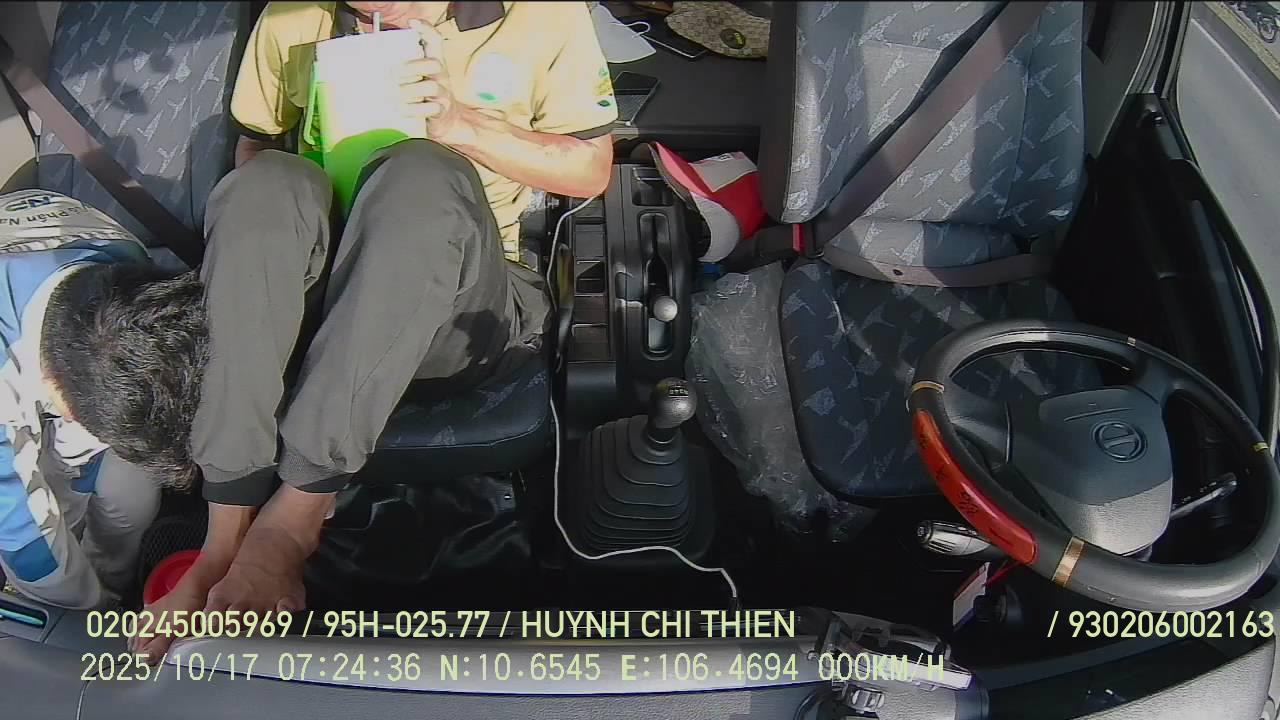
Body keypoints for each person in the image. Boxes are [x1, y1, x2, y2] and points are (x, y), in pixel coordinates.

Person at [132, 1, 615, 658]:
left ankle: (298, 514)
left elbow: (590, 168)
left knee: (421, 172)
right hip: (323, 287)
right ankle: (225, 535)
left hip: (460, 296)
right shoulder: (294, 16)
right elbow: (256, 141)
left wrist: (460, 124)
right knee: (263, 182)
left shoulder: (541, 15)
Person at [0, 189, 208, 609]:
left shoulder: (130, 271)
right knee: (47, 535)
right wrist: (89, 615)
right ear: (62, 400)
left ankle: (113, 581)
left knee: (133, 496)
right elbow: (23, 539)